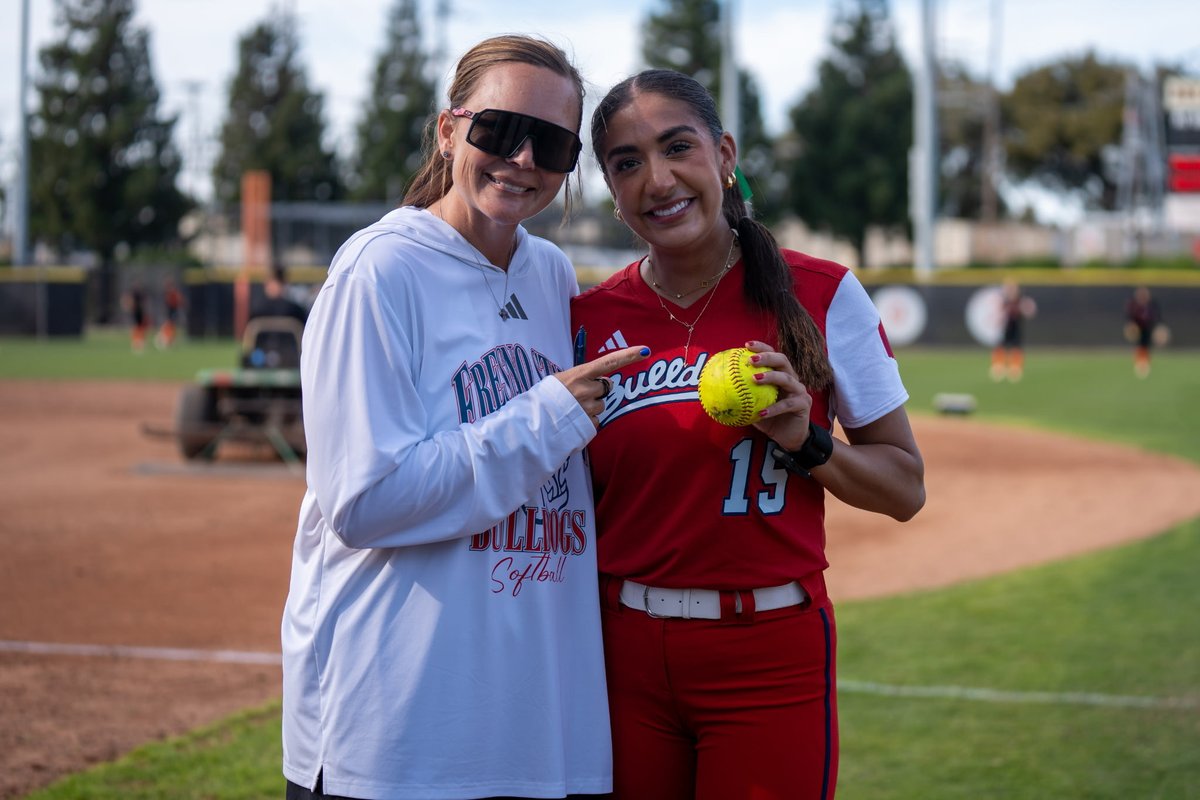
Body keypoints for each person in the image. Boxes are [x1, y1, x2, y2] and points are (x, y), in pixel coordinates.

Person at [279, 35, 647, 800]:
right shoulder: (379, 269)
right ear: (449, 131)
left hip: (533, 729)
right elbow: (363, 499)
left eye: (550, 144)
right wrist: (543, 420)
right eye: (496, 130)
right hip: (399, 738)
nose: (521, 158)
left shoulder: (549, 273)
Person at [572, 69, 926, 800]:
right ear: (610, 187)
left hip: (767, 653)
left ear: (724, 155)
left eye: (678, 147)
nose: (658, 179)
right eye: (627, 162)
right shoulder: (583, 317)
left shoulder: (822, 291)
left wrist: (809, 442)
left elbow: (905, 488)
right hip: (621, 653)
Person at [989, 279, 1036, 382]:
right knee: (1000, 346)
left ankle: (1015, 368)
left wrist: (1024, 309)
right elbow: (998, 313)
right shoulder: (1004, 300)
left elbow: (1030, 311)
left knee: (1016, 347)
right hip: (1006, 327)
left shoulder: (1021, 300)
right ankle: (998, 366)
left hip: (1017, 327)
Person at [1124, 285, 1163, 378]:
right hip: (1137, 328)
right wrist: (1131, 326)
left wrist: (1158, 328)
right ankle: (1139, 363)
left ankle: (1145, 363)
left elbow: (1157, 317)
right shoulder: (1133, 305)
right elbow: (1129, 318)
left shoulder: (1152, 304)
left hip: (1148, 327)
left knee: (1146, 346)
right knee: (1139, 346)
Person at [155, 278, 185, 349]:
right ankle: (163, 338)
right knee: (169, 325)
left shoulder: (174, 292)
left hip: (173, 311)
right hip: (169, 311)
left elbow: (180, 301)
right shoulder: (167, 293)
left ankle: (168, 340)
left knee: (171, 326)